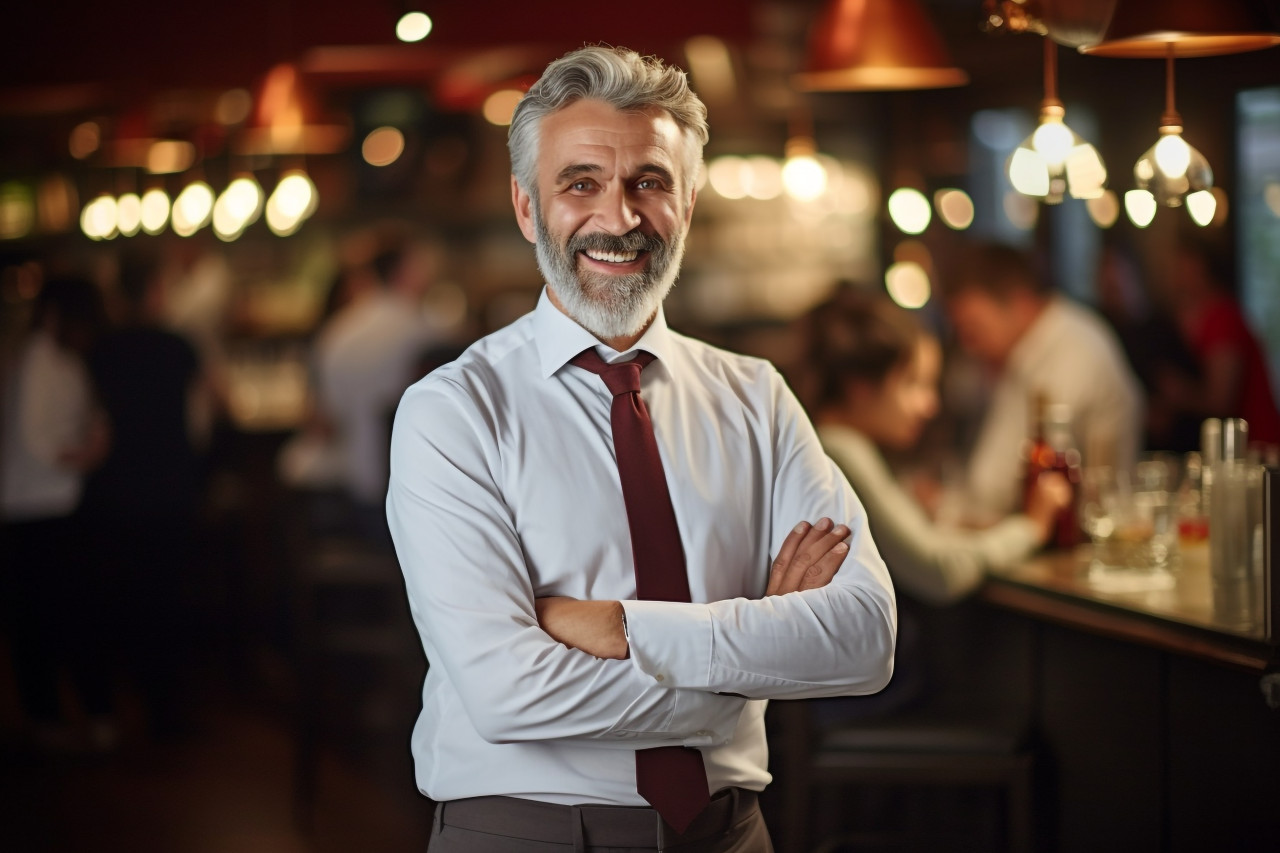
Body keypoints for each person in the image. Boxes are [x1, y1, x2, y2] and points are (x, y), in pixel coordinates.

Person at [387, 46, 896, 852]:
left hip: (731, 833)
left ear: (688, 202)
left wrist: (623, 626)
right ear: (527, 207)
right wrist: (746, 662)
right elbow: (506, 692)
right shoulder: (452, 412)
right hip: (528, 833)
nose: (618, 218)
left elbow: (863, 638)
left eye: (648, 182)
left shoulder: (757, 396)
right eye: (579, 182)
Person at [804, 291, 1072, 607]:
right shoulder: (842, 452)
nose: (930, 405)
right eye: (913, 383)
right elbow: (939, 570)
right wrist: (1031, 528)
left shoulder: (832, 445)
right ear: (861, 386)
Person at [80, 251, 211, 738]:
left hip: (113, 487)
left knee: (116, 597)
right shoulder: (179, 346)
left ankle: (114, 708)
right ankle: (166, 709)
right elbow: (208, 412)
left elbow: (89, 419)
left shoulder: (98, 349)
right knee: (166, 597)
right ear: (156, 291)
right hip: (170, 484)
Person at [943, 241, 1143, 525]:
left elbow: (1000, 488)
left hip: (1087, 540)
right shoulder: (1028, 351)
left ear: (1020, 304)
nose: (969, 345)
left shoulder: (1072, 350)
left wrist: (948, 508)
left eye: (974, 328)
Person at [1, 274, 112, 750]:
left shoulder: (63, 361)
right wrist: (86, 454)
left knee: (61, 617)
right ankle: (51, 719)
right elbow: (35, 440)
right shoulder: (37, 362)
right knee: (46, 621)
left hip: (57, 502)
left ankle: (76, 715)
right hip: (33, 508)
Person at [295, 237, 444, 541]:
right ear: (407, 272)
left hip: (354, 490)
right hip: (416, 498)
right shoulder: (427, 331)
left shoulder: (339, 332)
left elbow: (324, 420)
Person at [1155, 239, 1280, 447]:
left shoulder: (1223, 319)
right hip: (1226, 448)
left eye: (1183, 267)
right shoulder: (1183, 320)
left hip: (1256, 448)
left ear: (1203, 268)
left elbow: (1220, 401)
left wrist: (1178, 394)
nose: (1176, 276)